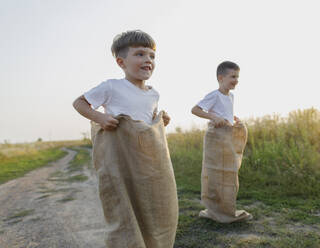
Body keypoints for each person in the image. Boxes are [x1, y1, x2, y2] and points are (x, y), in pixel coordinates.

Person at [73, 30, 178, 248]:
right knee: (123, 202)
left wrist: (161, 120)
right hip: (120, 157)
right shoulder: (112, 87)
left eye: (152, 56)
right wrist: (100, 117)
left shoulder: (153, 94)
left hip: (145, 159)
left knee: (149, 202)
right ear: (121, 62)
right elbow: (80, 102)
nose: (148, 60)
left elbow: (146, 125)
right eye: (140, 54)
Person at [191, 61, 252, 223]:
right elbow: (195, 110)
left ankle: (226, 209)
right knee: (215, 173)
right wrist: (214, 117)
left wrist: (233, 119)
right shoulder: (214, 95)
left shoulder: (231, 96)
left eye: (237, 77)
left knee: (229, 173)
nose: (236, 80)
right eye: (233, 76)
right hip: (216, 137)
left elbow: (225, 112)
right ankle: (214, 210)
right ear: (221, 77)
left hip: (228, 137)